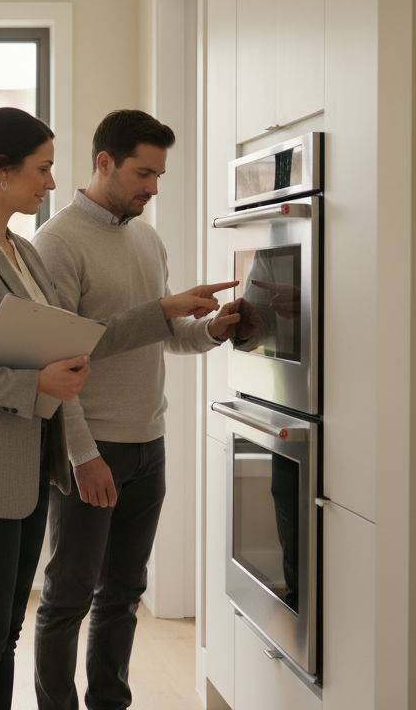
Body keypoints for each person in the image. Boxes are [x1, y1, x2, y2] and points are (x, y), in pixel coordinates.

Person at [0, 107, 235, 710]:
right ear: (1, 170)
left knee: (3, 636)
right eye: (42, 168)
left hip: (26, 467)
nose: (52, 181)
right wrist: (37, 386)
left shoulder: (20, 251)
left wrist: (167, 312)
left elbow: (79, 340)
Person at [31, 109, 246, 710]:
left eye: (158, 176)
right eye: (143, 174)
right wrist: (82, 455)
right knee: (68, 596)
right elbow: (57, 358)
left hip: (149, 445)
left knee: (124, 593)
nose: (153, 188)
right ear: (105, 163)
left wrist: (212, 330)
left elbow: (164, 333)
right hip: (92, 448)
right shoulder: (57, 244)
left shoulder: (147, 239)